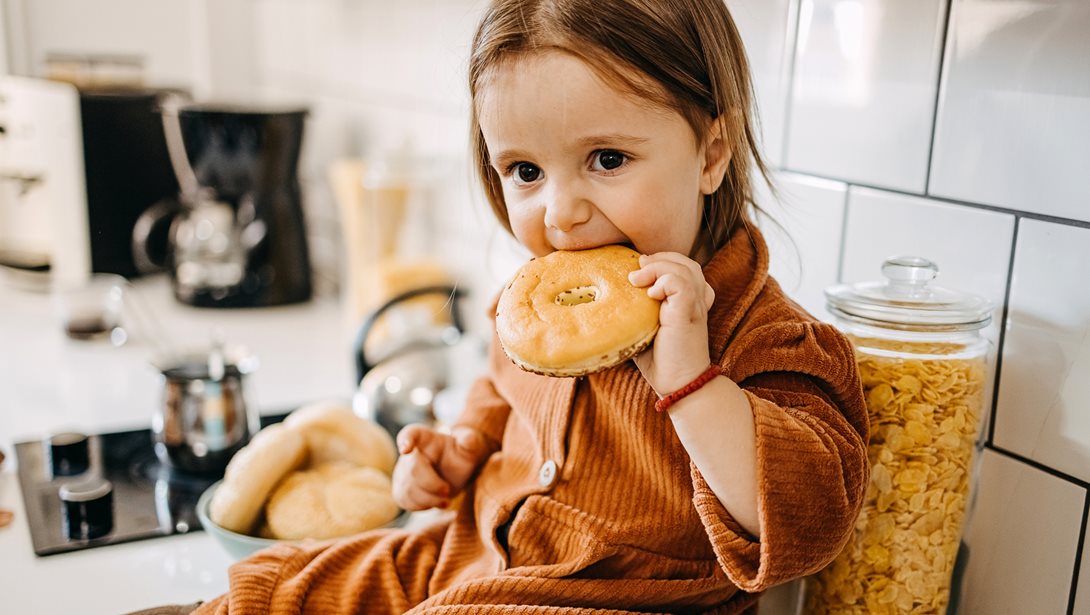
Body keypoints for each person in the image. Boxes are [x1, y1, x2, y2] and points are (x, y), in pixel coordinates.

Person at [171, 0, 869, 613]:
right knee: (285, 583)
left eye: (607, 158)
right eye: (526, 172)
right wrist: (461, 449)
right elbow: (502, 394)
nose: (561, 215)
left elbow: (808, 524)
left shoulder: (771, 336)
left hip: (612, 598)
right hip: (471, 555)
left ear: (711, 153)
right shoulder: (537, 305)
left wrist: (693, 386)